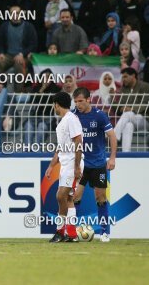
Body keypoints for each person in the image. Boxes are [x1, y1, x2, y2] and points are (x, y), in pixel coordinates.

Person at [72, 87, 117, 242]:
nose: (78, 104)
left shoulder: (100, 116)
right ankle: (73, 233)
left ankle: (104, 232)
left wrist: (112, 158)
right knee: (76, 196)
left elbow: (112, 136)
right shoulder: (73, 116)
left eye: (81, 101)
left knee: (100, 197)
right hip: (81, 164)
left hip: (98, 163)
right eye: (76, 101)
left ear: (88, 99)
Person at [45, 91, 84, 243]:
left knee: (60, 196)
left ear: (56, 104)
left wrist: (76, 167)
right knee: (67, 199)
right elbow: (61, 148)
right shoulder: (63, 121)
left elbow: (78, 141)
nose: (53, 107)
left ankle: (60, 232)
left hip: (72, 163)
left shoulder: (71, 119)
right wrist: (51, 165)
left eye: (53, 104)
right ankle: (72, 235)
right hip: (66, 163)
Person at [114, 67, 149, 151]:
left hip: (144, 119)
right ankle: (126, 153)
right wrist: (121, 107)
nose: (123, 79)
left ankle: (114, 136)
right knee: (128, 126)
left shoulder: (145, 86)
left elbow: (145, 104)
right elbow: (120, 105)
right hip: (129, 119)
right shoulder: (123, 89)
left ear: (133, 76)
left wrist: (131, 109)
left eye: (125, 77)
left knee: (128, 114)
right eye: (122, 77)